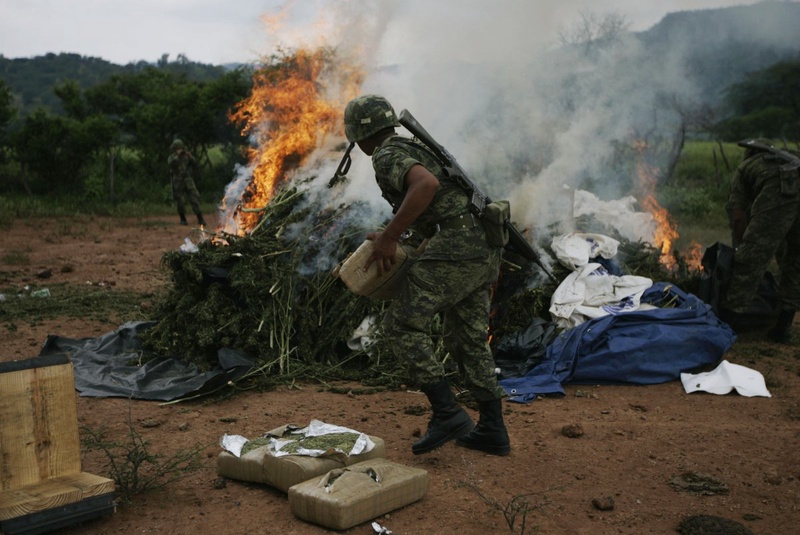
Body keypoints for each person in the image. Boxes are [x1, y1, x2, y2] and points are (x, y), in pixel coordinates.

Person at [341, 94, 510, 456]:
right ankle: (493, 429)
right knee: (467, 339)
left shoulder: (386, 154)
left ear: (360, 134)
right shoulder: (412, 144)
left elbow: (427, 186)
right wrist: (406, 239)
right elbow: (438, 201)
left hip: (457, 246)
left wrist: (389, 236)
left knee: (401, 326)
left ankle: (447, 412)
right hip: (482, 245)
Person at [722, 138, 800, 342]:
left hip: (780, 191)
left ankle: (726, 326)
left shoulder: (746, 166)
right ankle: (783, 328)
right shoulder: (789, 158)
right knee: (796, 261)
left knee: (750, 260)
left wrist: (743, 246)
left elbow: (738, 216)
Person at [167, 138, 206, 226]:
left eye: (180, 148)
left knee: (194, 199)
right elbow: (171, 164)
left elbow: (195, 163)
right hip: (178, 181)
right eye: (177, 149)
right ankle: (183, 219)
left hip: (188, 180)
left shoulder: (186, 156)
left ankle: (200, 218)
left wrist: (190, 156)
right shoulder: (172, 157)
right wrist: (178, 157)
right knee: (180, 201)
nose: (179, 150)